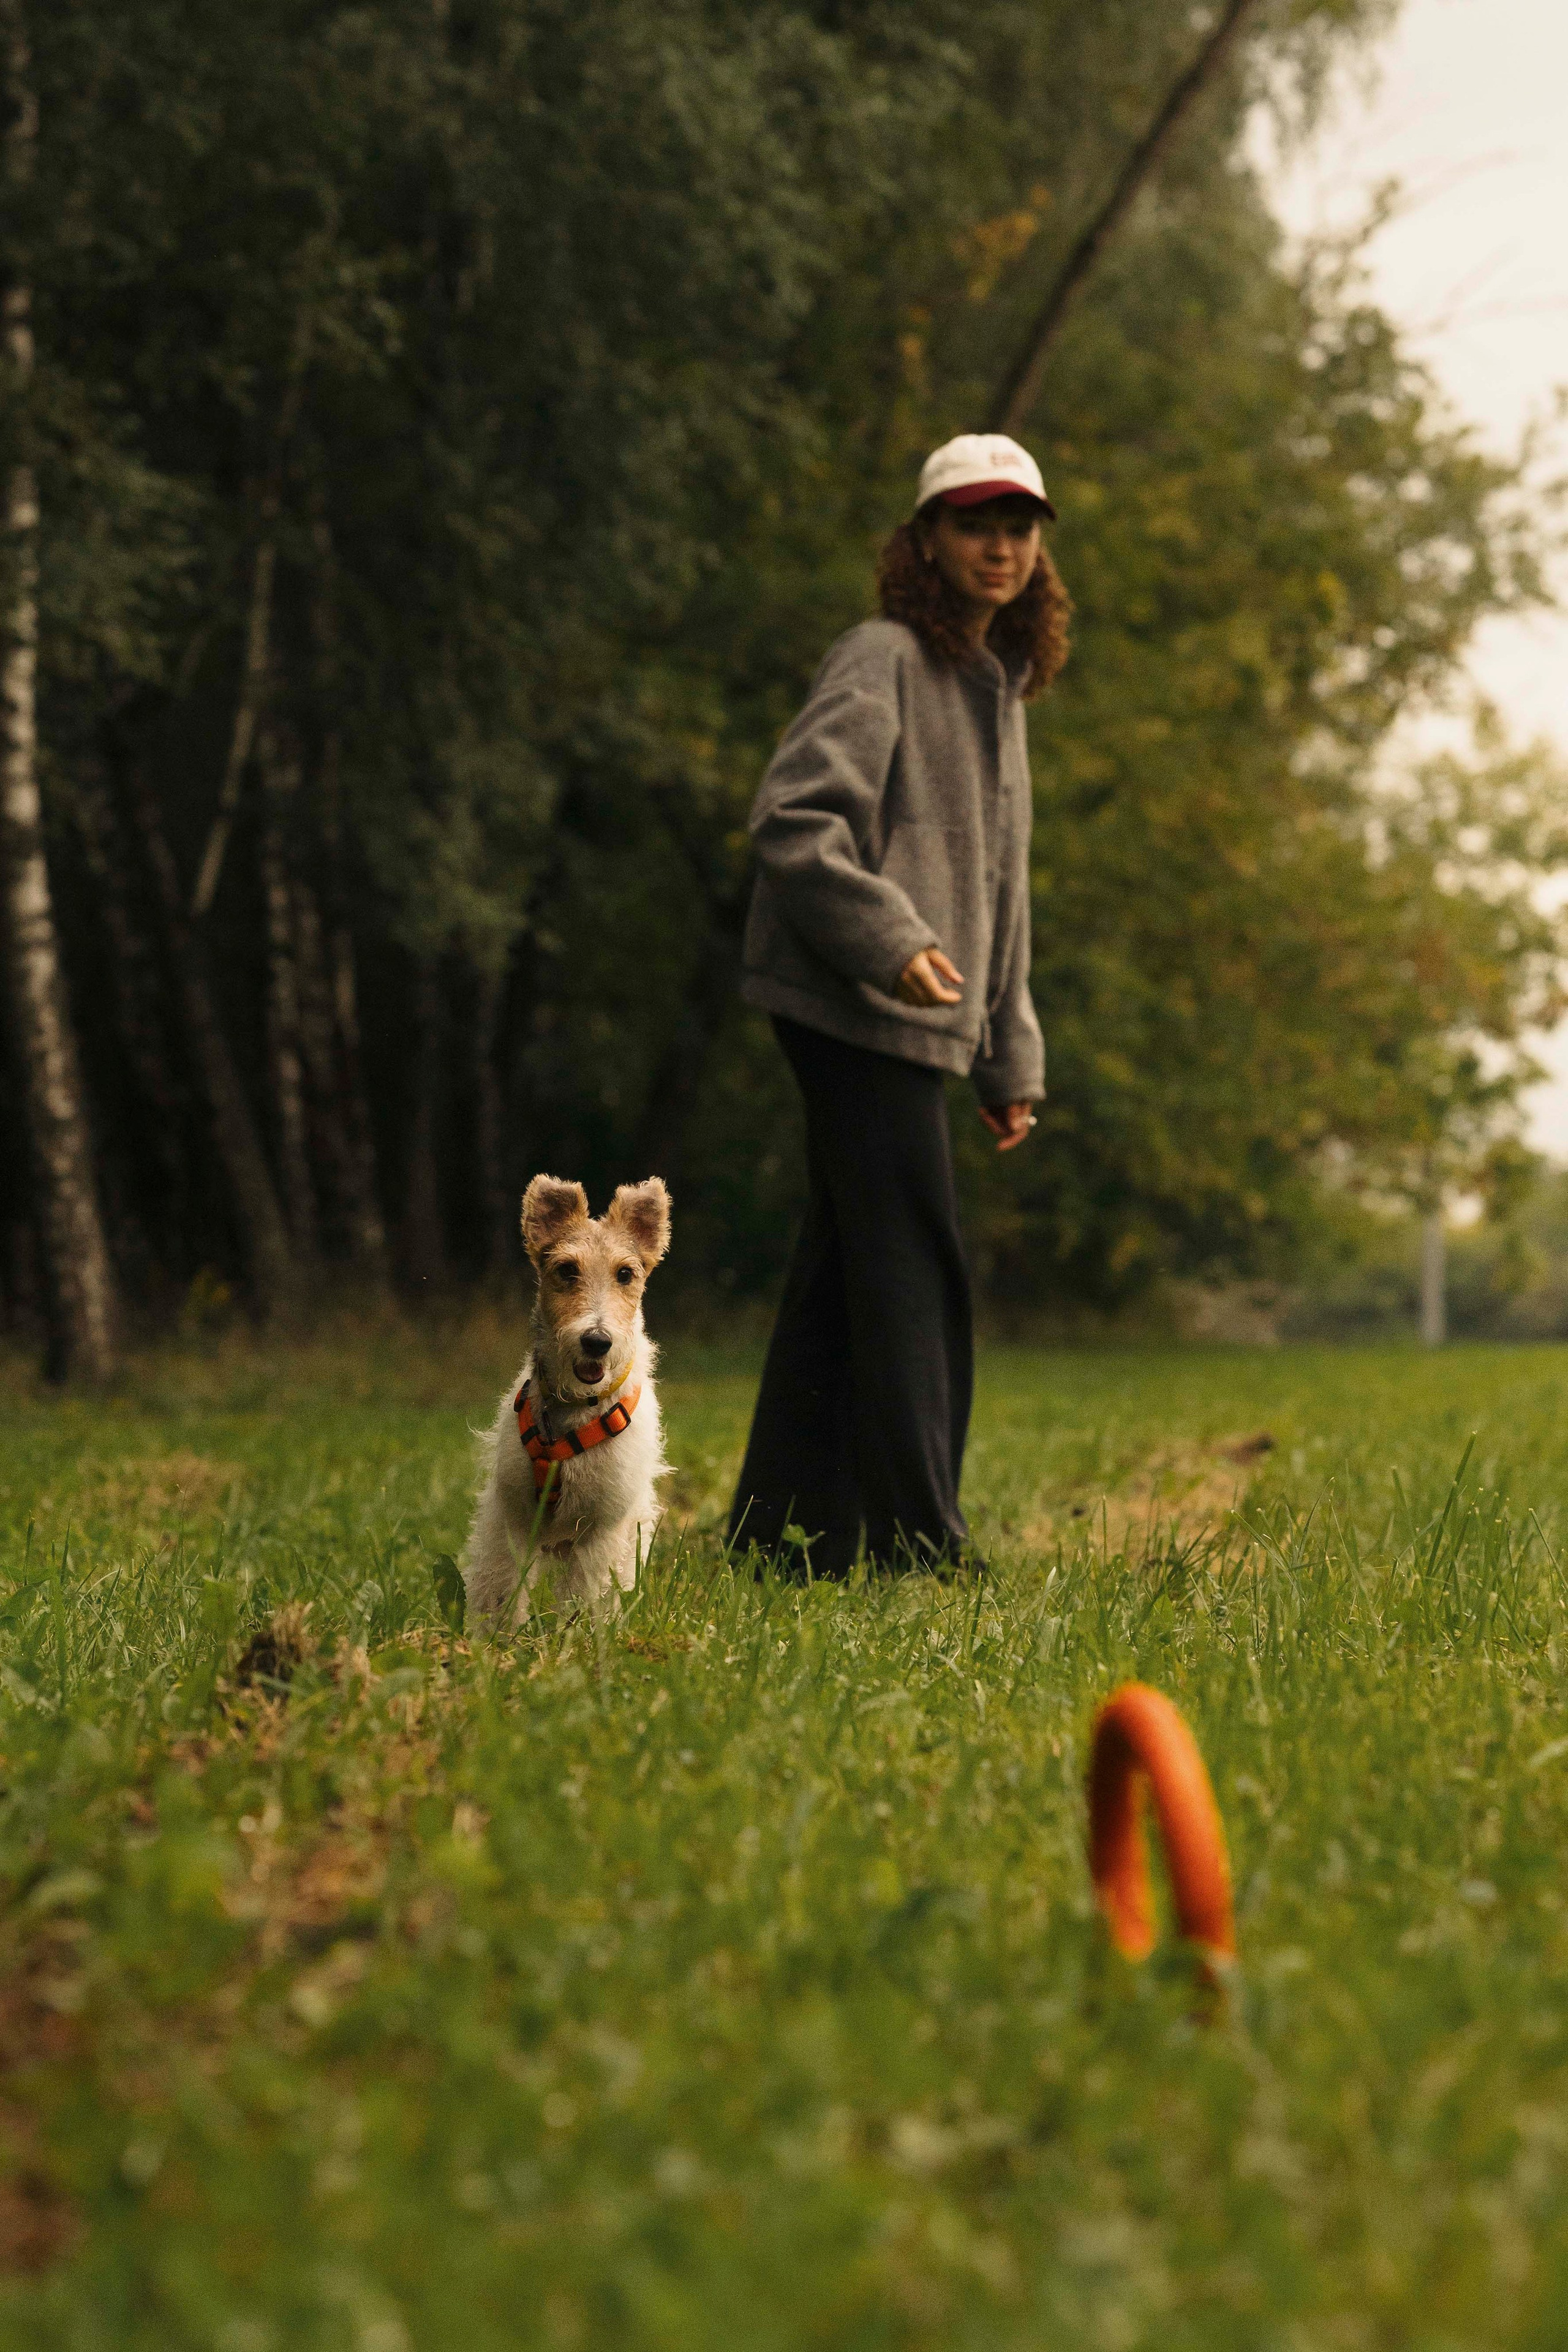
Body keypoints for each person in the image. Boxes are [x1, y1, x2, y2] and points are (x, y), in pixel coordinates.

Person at [728, 432, 1071, 1577]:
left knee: (849, 1263)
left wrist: (1007, 1053)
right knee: (914, 1255)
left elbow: (1000, 891)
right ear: (926, 538)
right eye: (976, 524)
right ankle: (924, 1544)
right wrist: (890, 939)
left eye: (1019, 528)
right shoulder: (880, 657)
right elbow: (793, 820)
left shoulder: (997, 688)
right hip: (843, 1001)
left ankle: (784, 1539)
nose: (1001, 546)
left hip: (927, 1019)